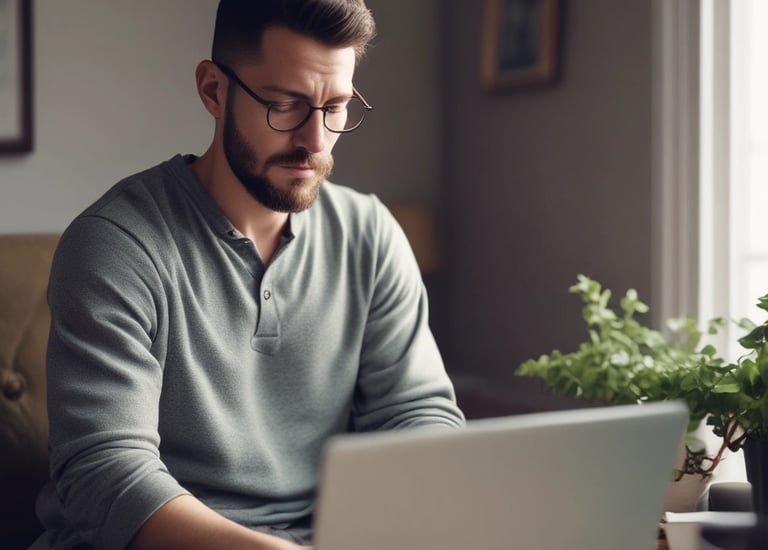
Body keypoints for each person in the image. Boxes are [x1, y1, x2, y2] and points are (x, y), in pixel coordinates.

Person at [31, 1, 465, 549]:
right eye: (285, 106)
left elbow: (418, 413)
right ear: (214, 90)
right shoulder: (116, 245)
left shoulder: (370, 234)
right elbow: (106, 473)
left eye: (336, 106)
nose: (315, 140)